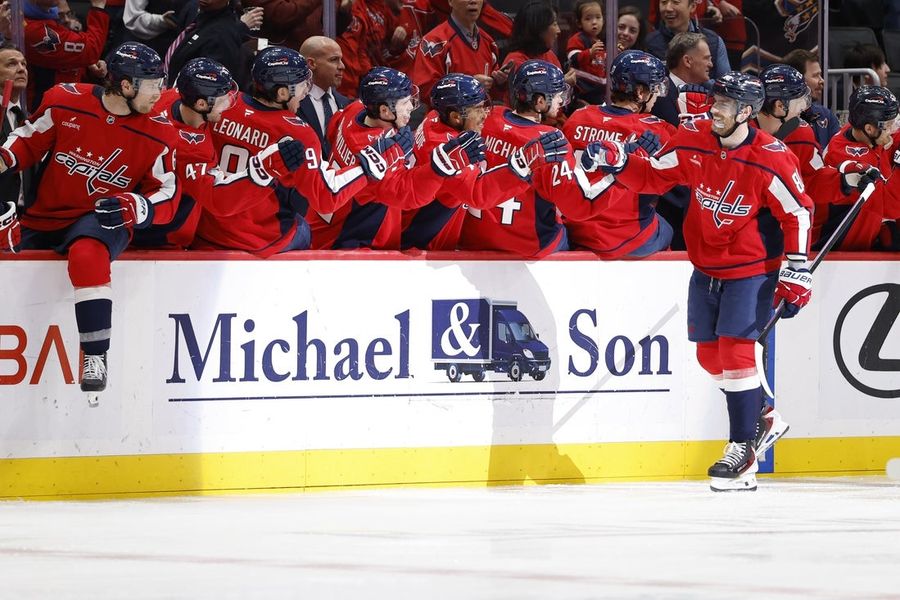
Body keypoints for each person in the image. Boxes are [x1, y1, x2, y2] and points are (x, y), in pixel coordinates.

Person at [586, 72, 813, 491]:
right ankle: (762, 416)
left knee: (736, 351)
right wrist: (619, 163)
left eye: (725, 105)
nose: (715, 110)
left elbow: (797, 212)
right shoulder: (693, 138)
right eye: (714, 102)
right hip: (705, 266)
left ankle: (742, 450)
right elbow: (655, 175)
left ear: (746, 111)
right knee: (711, 358)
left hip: (751, 268)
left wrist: (797, 267)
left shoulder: (772, 155)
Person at [0, 42, 179, 399]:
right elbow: (28, 141)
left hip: (101, 218)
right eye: (153, 84)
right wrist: (4, 157)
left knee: (87, 254)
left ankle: (95, 356)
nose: (160, 92)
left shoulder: (160, 131)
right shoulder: (64, 100)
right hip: (47, 213)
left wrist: (137, 206)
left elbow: (168, 193)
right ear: (126, 86)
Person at [197, 47, 396, 256]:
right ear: (282, 92)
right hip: (261, 240)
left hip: (207, 231)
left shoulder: (220, 106)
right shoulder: (298, 132)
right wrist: (366, 167)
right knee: (303, 226)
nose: (306, 91)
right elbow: (326, 198)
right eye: (302, 85)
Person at [310, 66, 477, 249]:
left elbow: (332, 130)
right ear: (384, 111)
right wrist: (438, 169)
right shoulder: (377, 154)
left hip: (327, 222)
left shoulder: (356, 109)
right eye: (404, 103)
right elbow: (408, 196)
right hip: (352, 239)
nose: (411, 107)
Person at [458, 59, 612, 257]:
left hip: (473, 236)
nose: (561, 101)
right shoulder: (552, 141)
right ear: (539, 101)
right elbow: (576, 206)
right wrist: (617, 173)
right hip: (527, 244)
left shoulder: (489, 117)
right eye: (557, 96)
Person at [562, 50, 675, 258]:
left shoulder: (578, 117)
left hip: (576, 228)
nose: (657, 94)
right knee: (668, 227)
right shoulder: (657, 130)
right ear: (640, 92)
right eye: (654, 88)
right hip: (624, 237)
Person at [755, 64, 880, 250]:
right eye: (798, 101)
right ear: (779, 106)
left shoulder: (801, 134)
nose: (803, 108)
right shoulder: (738, 131)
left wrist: (843, 180)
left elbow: (812, 180)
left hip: (774, 234)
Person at [402, 73, 533, 250]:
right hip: (422, 244)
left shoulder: (435, 116)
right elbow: (478, 194)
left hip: (424, 226)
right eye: (478, 109)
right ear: (456, 117)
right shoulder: (447, 148)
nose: (485, 114)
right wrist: (522, 170)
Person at [821, 86, 900, 251]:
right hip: (837, 242)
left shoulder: (864, 133)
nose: (892, 130)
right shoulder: (849, 157)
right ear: (870, 129)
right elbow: (890, 207)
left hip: (868, 229)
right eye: (889, 125)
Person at [411, 0, 507, 105]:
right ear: (451, 1)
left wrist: (499, 83)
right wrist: (467, 87)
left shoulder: (489, 42)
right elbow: (424, 91)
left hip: (480, 117)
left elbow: (493, 95)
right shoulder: (433, 42)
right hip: (445, 119)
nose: (473, 1)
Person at [23, 0, 110, 108]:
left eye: (69, 14)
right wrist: (98, 7)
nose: (67, 20)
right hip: (41, 111)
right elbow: (91, 50)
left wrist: (87, 65)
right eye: (61, 16)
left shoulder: (46, 18)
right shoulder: (33, 28)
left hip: (64, 105)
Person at [163, 0, 260, 91]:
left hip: (193, 101)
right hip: (173, 92)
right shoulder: (197, 13)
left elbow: (211, 86)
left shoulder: (222, 35)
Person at [645, 0, 730, 79]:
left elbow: (725, 86)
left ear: (692, 7)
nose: (668, 8)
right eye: (664, 2)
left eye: (676, 2)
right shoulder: (649, 43)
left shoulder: (713, 41)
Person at [335, 0, 402, 98]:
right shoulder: (331, 5)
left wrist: (370, 76)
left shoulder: (366, 8)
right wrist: (342, 12)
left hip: (355, 82)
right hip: (335, 79)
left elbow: (361, 47)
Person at [298, 36, 350, 158]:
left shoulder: (346, 104)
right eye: (334, 60)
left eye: (341, 60)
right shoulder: (291, 103)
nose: (342, 66)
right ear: (311, 63)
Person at [782, 48, 840, 151]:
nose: (822, 81)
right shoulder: (777, 119)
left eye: (820, 75)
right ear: (796, 79)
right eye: (815, 76)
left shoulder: (826, 115)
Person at [652, 31, 713, 126]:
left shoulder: (710, 94)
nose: (711, 64)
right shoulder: (657, 96)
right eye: (706, 58)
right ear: (687, 61)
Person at [0, 42, 30, 210]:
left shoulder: (32, 120)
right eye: (11, 64)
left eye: (23, 64)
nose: (21, 69)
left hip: (25, 218)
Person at [566, 0, 606, 105]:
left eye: (598, 17)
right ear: (579, 23)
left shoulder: (604, 40)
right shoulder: (577, 39)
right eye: (588, 18)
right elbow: (573, 58)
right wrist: (589, 53)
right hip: (583, 91)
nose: (594, 22)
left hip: (600, 89)